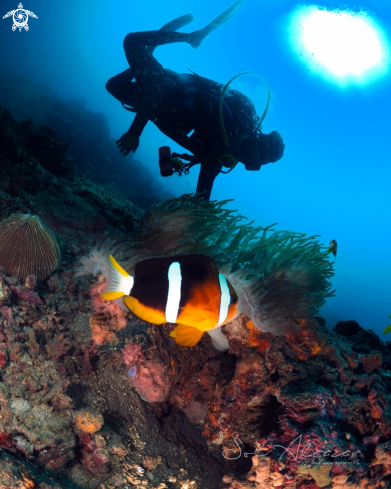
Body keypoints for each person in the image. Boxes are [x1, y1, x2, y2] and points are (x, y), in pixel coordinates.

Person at [106, 0, 285, 200]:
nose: (248, 157)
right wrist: (134, 132)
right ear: (257, 137)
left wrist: (199, 222)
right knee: (132, 41)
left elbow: (202, 196)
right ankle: (190, 37)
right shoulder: (224, 115)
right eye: (255, 151)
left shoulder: (217, 157)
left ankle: (148, 59)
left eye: (254, 162)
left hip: (157, 111)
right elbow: (160, 95)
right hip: (167, 88)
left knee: (113, 86)